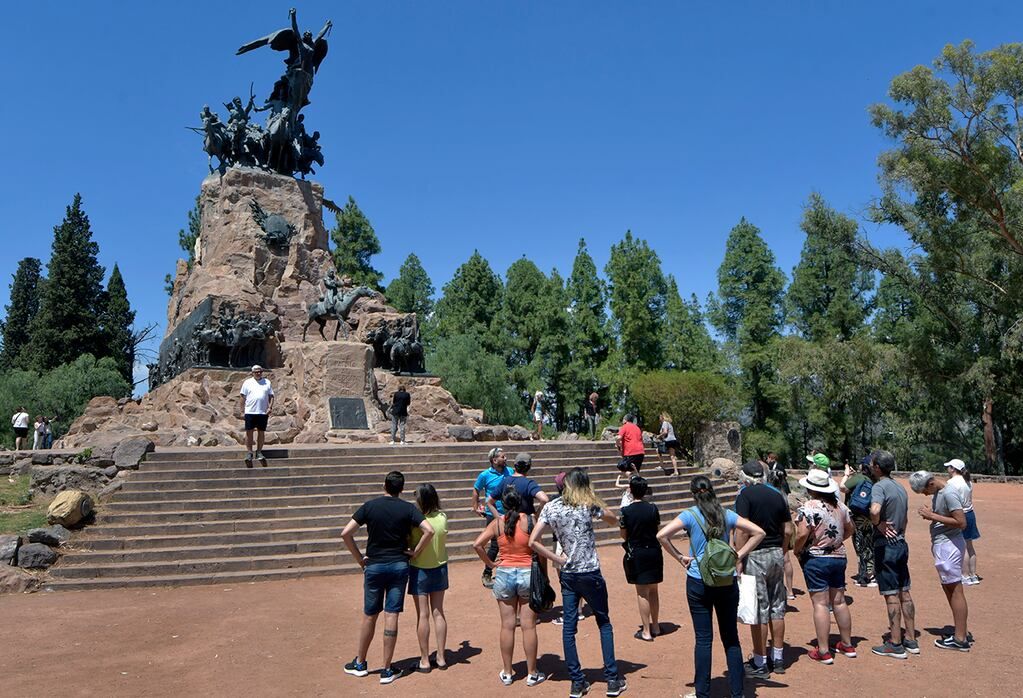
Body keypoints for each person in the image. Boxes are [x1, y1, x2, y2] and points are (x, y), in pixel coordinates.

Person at [657, 475, 765, 698]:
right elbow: (759, 532)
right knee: (731, 638)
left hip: (698, 579)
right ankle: (737, 693)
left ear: (693, 493)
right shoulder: (727, 514)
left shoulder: (690, 515)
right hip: (726, 580)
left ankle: (702, 693)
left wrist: (679, 557)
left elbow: (662, 535)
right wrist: (739, 555)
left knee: (703, 639)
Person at [529, 468, 628, 698]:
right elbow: (614, 519)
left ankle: (577, 681)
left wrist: (556, 559)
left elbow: (533, 541)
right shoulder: (587, 504)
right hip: (590, 571)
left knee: (569, 628)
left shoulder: (551, 507)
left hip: (568, 574)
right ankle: (612, 679)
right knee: (603, 622)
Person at [342, 471, 435, 684]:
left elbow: (346, 533)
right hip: (399, 566)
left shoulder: (370, 506)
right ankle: (386, 669)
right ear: (401, 489)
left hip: (374, 565)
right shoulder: (408, 508)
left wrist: (359, 559)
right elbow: (428, 531)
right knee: (391, 615)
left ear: (384, 486)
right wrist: (416, 552)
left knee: (370, 615)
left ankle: (360, 663)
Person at [474, 488, 548, 687]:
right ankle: (532, 673)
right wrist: (544, 575)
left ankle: (507, 672)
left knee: (507, 625)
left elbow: (477, 545)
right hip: (527, 573)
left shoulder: (497, 523)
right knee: (529, 626)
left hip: (505, 573)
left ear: (503, 505)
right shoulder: (530, 521)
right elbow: (540, 551)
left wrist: (491, 565)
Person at [734, 461, 793, 677]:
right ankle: (778, 658)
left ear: (746, 477)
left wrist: (739, 557)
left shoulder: (745, 496)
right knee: (777, 607)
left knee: (759, 609)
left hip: (755, 554)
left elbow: (742, 530)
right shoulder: (777, 494)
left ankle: (760, 661)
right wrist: (782, 550)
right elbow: (788, 529)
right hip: (776, 553)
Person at [793, 469, 856, 665]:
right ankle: (847, 644)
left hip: (816, 558)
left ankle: (823, 650)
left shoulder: (808, 508)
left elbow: (802, 533)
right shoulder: (840, 506)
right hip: (838, 556)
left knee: (820, 603)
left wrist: (797, 549)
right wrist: (836, 541)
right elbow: (850, 529)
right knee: (839, 601)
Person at [908, 470, 971, 652]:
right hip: (944, 545)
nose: (925, 495)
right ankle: (959, 633)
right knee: (949, 588)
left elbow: (961, 522)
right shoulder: (940, 493)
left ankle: (960, 638)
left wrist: (932, 516)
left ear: (930, 484)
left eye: (924, 491)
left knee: (955, 590)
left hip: (949, 546)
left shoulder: (949, 493)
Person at [867, 450, 918, 659]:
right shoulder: (900, 487)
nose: (870, 466)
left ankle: (895, 643)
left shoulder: (879, 486)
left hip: (886, 546)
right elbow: (904, 519)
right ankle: (911, 639)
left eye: (872, 463)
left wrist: (877, 524)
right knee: (904, 591)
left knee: (890, 595)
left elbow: (874, 510)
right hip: (901, 543)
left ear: (878, 467)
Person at [408, 484, 449, 672]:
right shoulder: (442, 517)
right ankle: (441, 657)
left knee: (422, 615)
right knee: (438, 612)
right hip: (439, 567)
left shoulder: (416, 521)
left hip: (420, 569)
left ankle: (425, 660)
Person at [619, 476, 663, 642]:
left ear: (630, 490)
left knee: (642, 592)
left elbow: (623, 535)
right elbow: (657, 529)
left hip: (637, 552)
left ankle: (646, 631)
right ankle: (656, 625)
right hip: (653, 550)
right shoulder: (653, 508)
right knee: (654, 590)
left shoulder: (625, 511)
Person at [472, 448, 511, 588]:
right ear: (494, 460)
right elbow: (476, 489)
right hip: (493, 514)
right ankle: (487, 572)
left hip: (510, 514)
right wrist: (475, 505)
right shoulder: (485, 475)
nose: (505, 459)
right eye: (503, 456)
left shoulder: (510, 472)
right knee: (494, 545)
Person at [840, 456, 877, 587]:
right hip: (868, 516)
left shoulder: (859, 477)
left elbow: (842, 487)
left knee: (860, 545)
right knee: (868, 544)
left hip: (857, 516)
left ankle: (867, 576)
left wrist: (846, 474)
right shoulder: (873, 479)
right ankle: (870, 573)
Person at [943, 458, 980, 585]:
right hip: (970, 514)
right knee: (969, 546)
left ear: (953, 469)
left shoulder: (951, 483)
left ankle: (964, 575)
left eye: (949, 467)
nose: (947, 469)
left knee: (962, 547)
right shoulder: (968, 481)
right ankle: (973, 575)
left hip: (960, 515)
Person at [765, 467, 796, 601]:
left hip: (776, 528)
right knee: (786, 558)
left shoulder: (771, 494)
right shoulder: (783, 493)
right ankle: (790, 590)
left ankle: (775, 588)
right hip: (788, 526)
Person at [487, 452, 549, 518]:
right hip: (526, 523)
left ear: (515, 465)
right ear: (529, 467)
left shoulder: (505, 481)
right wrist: (536, 515)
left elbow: (489, 501)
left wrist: (499, 519)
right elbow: (544, 499)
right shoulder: (529, 483)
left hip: (508, 523)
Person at [238, 365, 274, 466]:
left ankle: (259, 451)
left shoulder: (267, 382)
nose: (258, 373)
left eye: (260, 371)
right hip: (250, 411)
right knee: (249, 432)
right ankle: (249, 452)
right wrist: (242, 410)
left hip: (262, 412)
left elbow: (271, 396)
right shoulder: (247, 382)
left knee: (261, 432)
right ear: (252, 373)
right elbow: (242, 397)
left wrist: (270, 407)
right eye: (256, 372)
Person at [656, 413, 681, 478]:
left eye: (660, 417)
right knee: (672, 456)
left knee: (658, 450)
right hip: (673, 440)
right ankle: (676, 471)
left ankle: (662, 465)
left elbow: (665, 432)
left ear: (662, 417)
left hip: (668, 441)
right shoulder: (669, 424)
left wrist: (659, 436)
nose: (659, 419)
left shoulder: (664, 423)